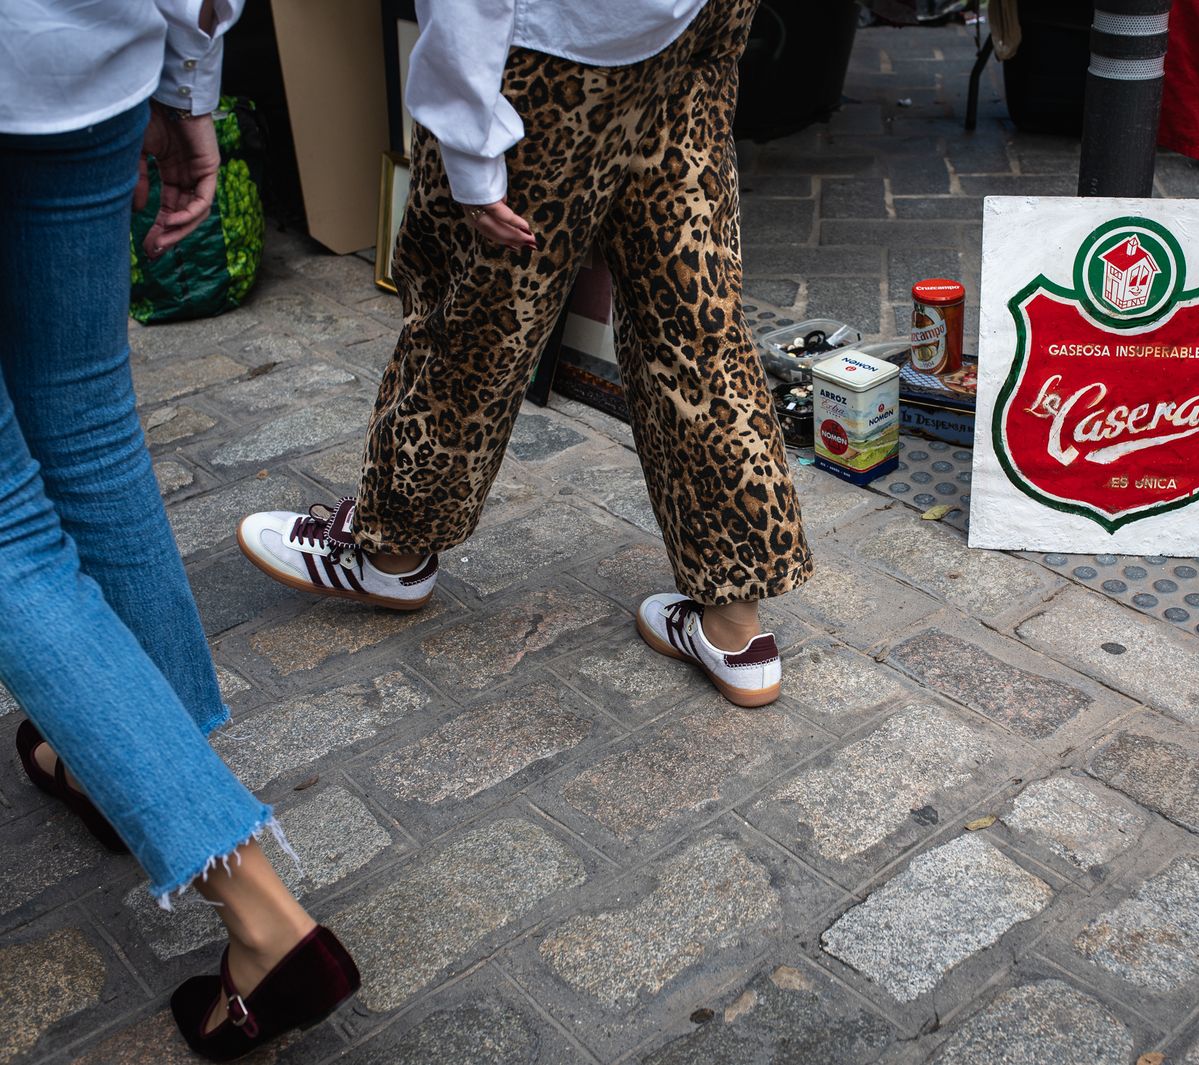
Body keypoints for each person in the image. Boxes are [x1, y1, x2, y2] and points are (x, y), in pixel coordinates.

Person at [236, 0, 812, 707]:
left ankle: (392, 550)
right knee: (693, 322)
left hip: (564, 49)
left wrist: (472, 144)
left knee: (479, 319)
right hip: (694, 27)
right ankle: (735, 627)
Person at [0, 2, 358, 1057]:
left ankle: (260, 917)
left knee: (8, 526)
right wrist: (184, 75)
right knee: (88, 422)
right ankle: (121, 770)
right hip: (86, 56)